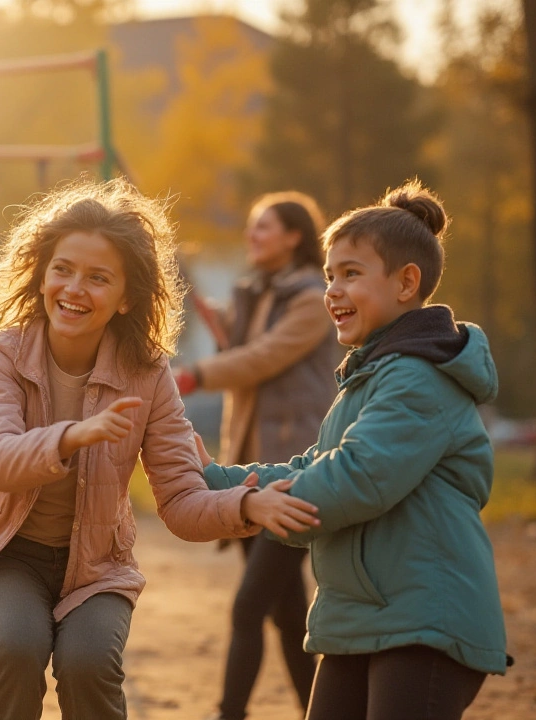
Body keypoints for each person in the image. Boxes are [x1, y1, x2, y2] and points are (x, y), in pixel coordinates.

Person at [0, 177, 322, 720]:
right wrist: (75, 435)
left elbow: (180, 499)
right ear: (42, 273)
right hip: (8, 555)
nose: (75, 288)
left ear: (125, 299)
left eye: (98, 278)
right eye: (63, 269)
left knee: (89, 662)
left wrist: (245, 505)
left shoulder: (146, 374)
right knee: (17, 648)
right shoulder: (4, 354)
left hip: (98, 566)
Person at [203, 180, 510, 720]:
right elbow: (312, 466)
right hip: (363, 618)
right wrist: (207, 479)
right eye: (329, 276)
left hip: (423, 621)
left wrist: (267, 505)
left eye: (350, 274)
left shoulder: (419, 376)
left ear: (406, 283)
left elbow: (356, 478)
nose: (332, 291)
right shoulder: (370, 377)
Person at [174, 192, 342, 720]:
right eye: (251, 226)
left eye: (264, 227)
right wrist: (222, 316)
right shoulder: (258, 292)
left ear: (294, 235)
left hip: (294, 468)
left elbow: (264, 357)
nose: (253, 235)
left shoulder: (312, 298)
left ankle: (230, 713)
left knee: (250, 606)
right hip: (250, 470)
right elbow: (244, 344)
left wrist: (198, 374)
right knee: (288, 613)